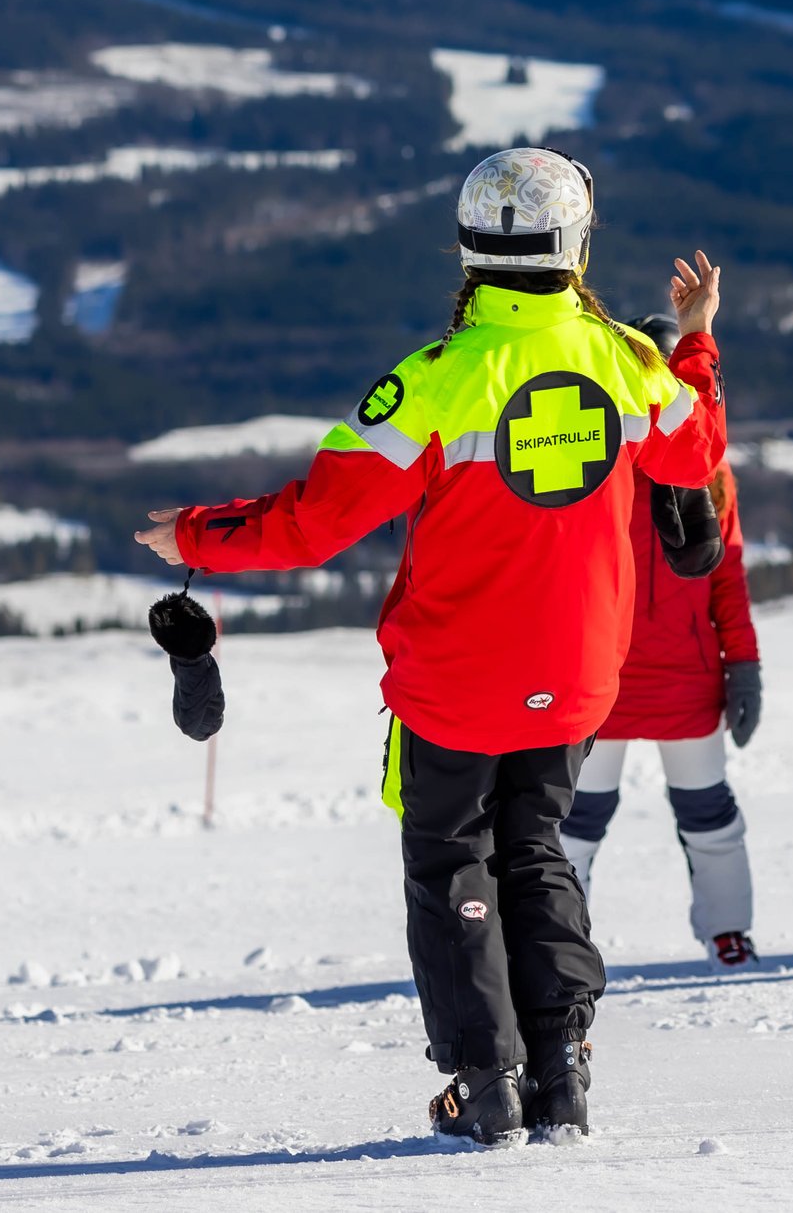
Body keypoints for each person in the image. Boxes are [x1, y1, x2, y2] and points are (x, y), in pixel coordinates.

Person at [135, 147, 728, 1144]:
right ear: (575, 243)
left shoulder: (436, 382)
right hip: (579, 673)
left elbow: (314, 523)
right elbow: (695, 449)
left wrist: (192, 532)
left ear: (469, 247)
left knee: (452, 862)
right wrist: (697, 344)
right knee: (536, 852)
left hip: (456, 683)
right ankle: (561, 1072)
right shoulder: (629, 360)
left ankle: (483, 1084)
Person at [556, 312, 763, 971]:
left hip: (676, 680)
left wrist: (746, 666)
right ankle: (559, 944)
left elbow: (727, 579)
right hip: (605, 680)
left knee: (705, 818)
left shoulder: (709, 475)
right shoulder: (597, 461)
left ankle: (728, 933)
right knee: (575, 827)